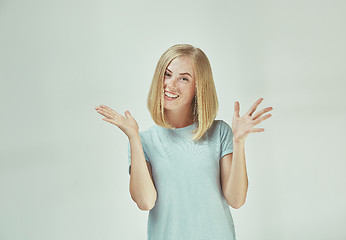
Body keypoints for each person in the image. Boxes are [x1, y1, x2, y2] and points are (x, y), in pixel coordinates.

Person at [95, 44, 273, 240]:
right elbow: (145, 202)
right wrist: (133, 137)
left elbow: (236, 199)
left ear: (198, 87)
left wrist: (239, 142)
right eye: (167, 74)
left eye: (183, 78)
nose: (170, 85)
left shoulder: (219, 132)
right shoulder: (143, 141)